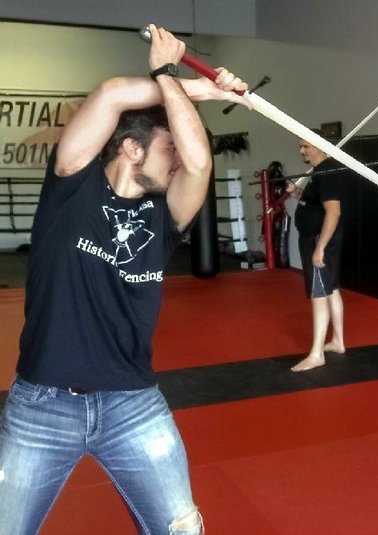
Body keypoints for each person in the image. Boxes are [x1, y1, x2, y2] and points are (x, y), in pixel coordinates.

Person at [0, 24, 248, 534]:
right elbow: (113, 95)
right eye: (166, 150)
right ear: (132, 149)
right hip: (41, 406)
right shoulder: (71, 185)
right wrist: (187, 81)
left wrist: (200, 89)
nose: (178, 161)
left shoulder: (166, 215)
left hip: (132, 404)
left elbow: (199, 160)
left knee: (182, 529)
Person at [286, 133, 348, 372]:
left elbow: (333, 212)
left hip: (318, 240)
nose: (302, 151)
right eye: (300, 146)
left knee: (319, 293)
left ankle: (316, 354)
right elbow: (316, 204)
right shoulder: (319, 172)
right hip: (316, 238)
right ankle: (338, 341)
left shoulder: (327, 173)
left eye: (305, 146)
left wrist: (320, 247)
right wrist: (297, 194)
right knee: (331, 289)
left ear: (320, 147)